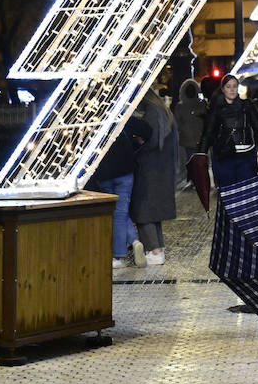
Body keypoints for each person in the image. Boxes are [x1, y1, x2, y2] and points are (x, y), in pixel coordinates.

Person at [84, 119, 148, 271]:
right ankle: (132, 241)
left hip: (104, 172)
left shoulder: (92, 121)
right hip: (125, 170)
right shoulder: (119, 116)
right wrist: (137, 144)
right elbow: (146, 129)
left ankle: (119, 255)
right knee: (121, 211)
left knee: (116, 213)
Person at [128, 89, 179, 266]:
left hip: (150, 169)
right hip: (161, 169)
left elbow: (151, 140)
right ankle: (159, 248)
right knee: (154, 211)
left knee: (144, 211)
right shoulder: (163, 111)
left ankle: (154, 250)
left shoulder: (151, 113)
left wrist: (136, 143)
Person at [200, 73, 258, 190]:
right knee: (228, 193)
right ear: (223, 89)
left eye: (234, 86)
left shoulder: (247, 106)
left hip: (246, 157)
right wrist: (201, 154)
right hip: (224, 157)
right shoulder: (216, 108)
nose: (232, 89)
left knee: (246, 193)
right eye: (228, 86)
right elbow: (208, 132)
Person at [174, 77, 208, 189]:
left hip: (196, 139)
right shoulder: (182, 107)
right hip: (190, 140)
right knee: (193, 161)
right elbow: (177, 123)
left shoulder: (201, 104)